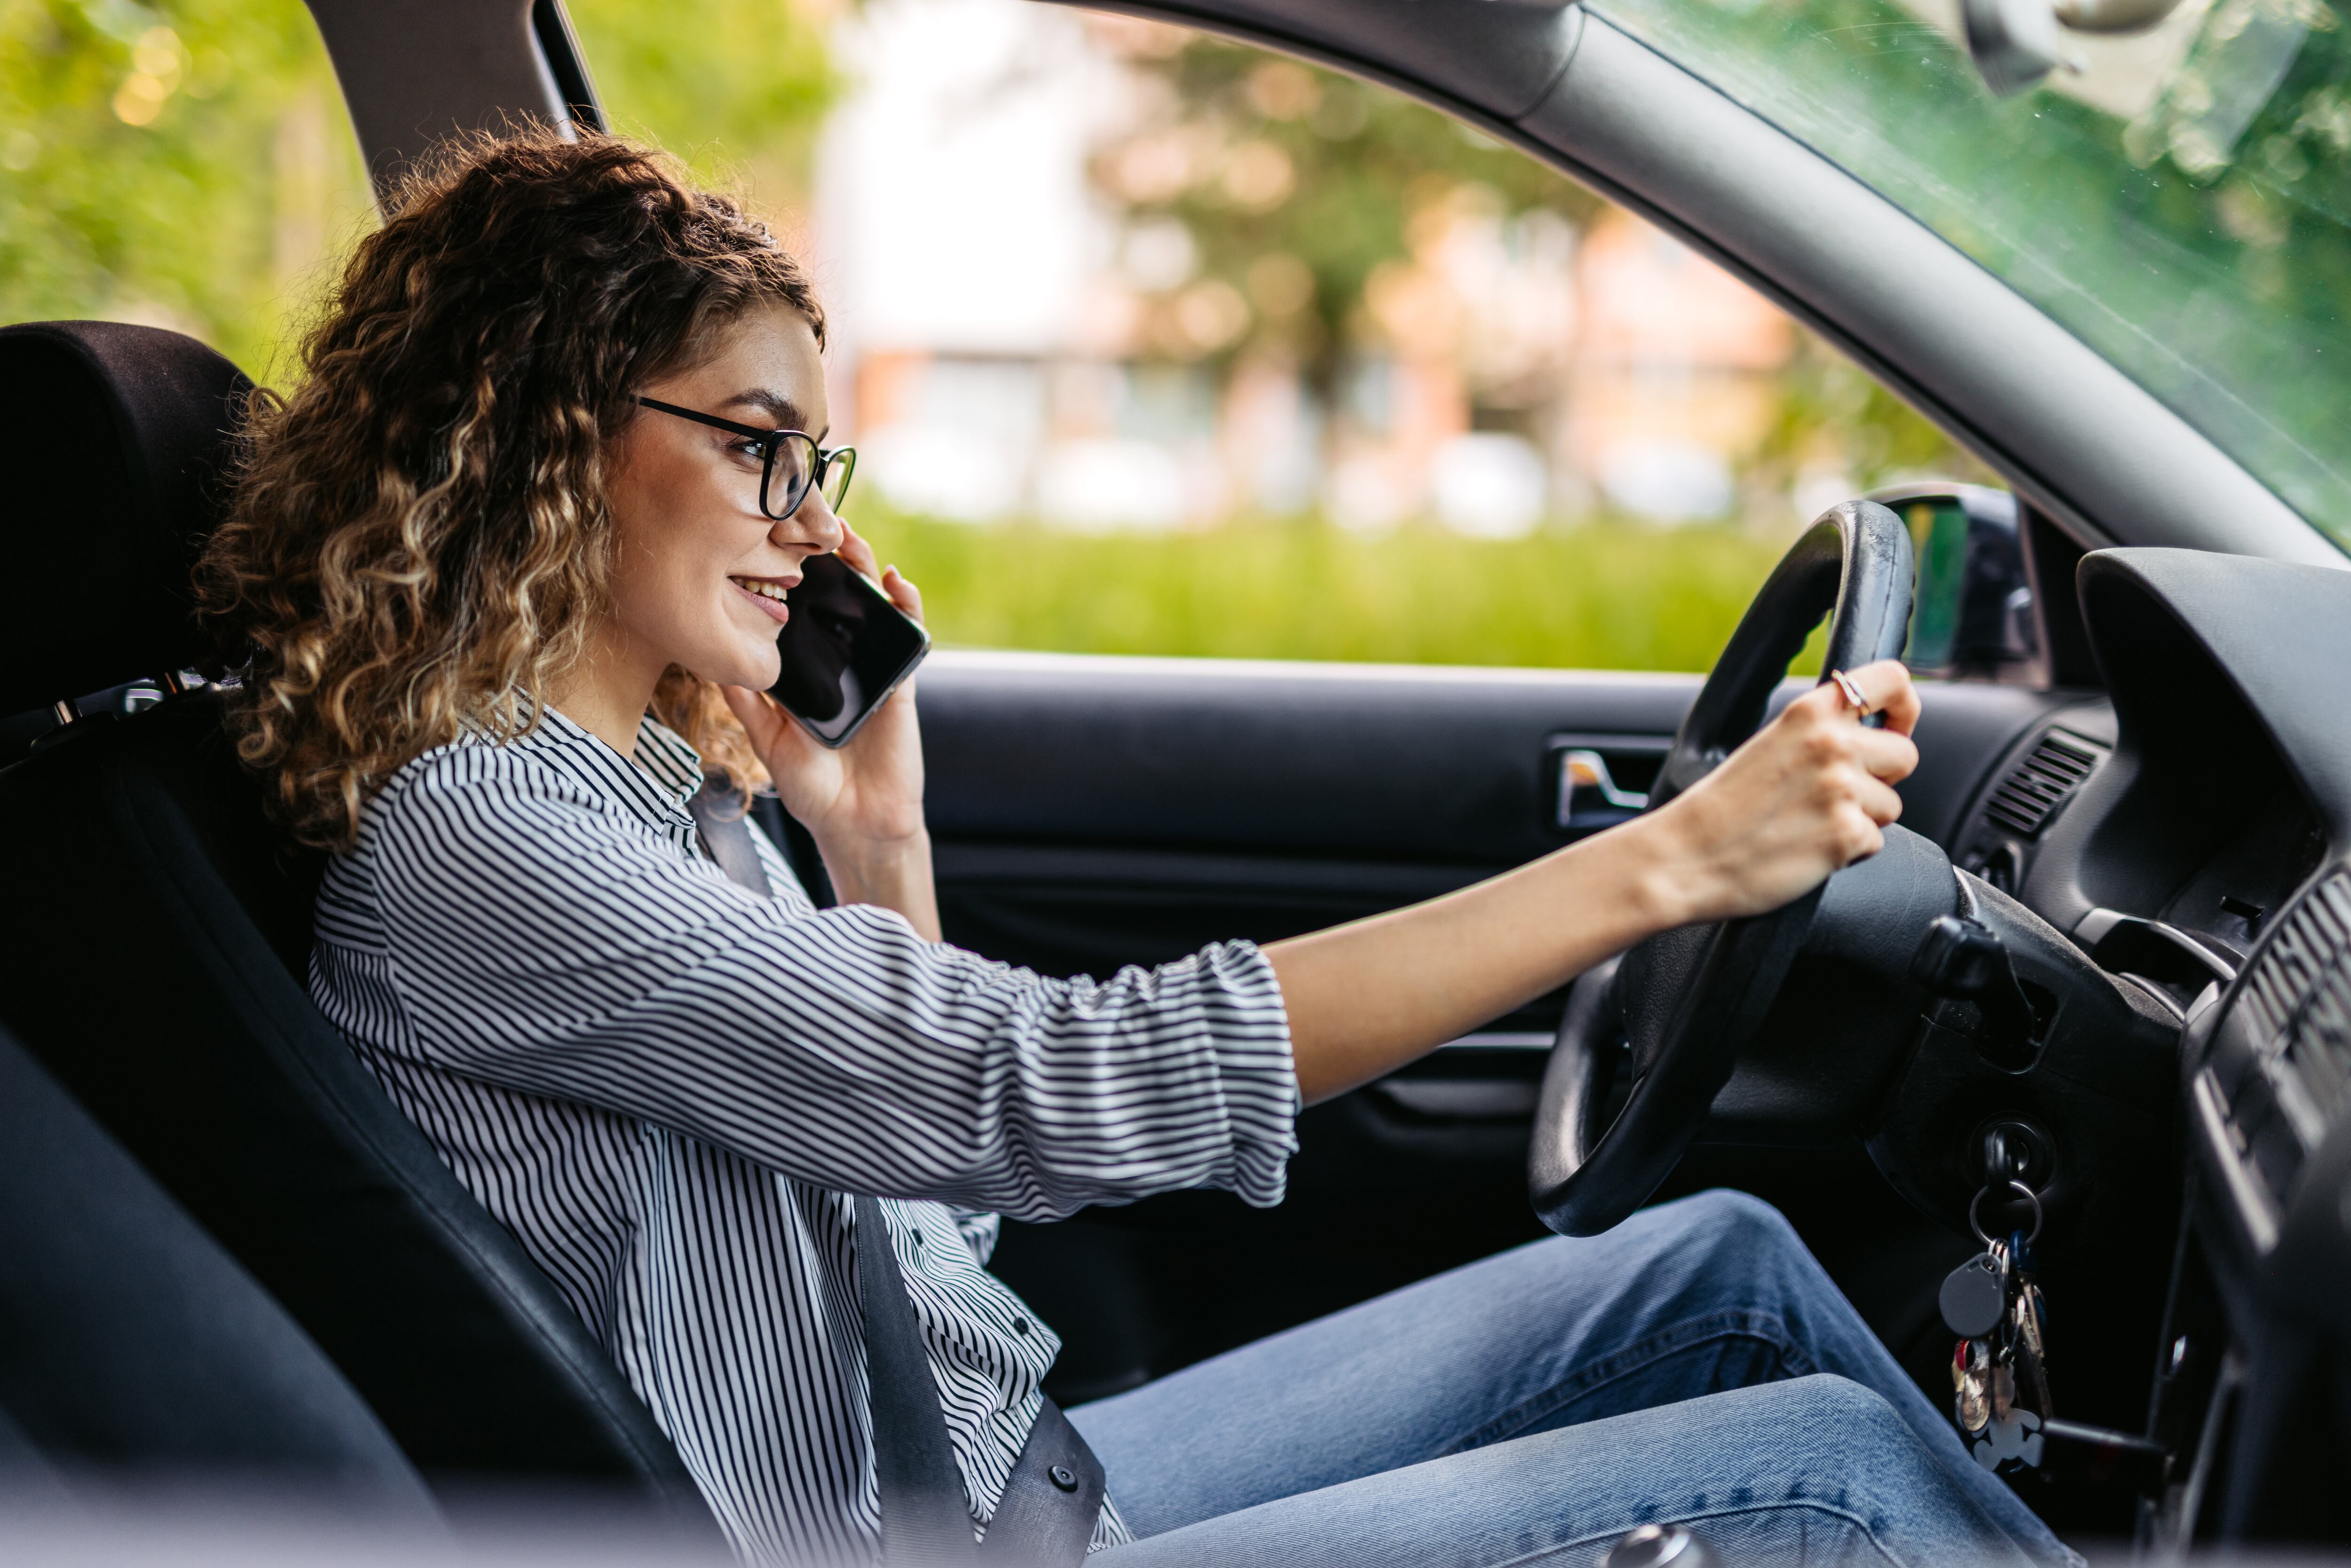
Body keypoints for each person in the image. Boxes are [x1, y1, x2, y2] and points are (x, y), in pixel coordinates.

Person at [196, 130, 2070, 1568]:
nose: (800, 519)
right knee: (1822, 1479)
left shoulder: (666, 802)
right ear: (546, 433)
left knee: (1718, 1267)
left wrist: (876, 834)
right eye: (758, 444)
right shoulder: (487, 843)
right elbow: (1036, 1090)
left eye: (817, 466)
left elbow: (939, 1220)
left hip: (1017, 1475)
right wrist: (1663, 864)